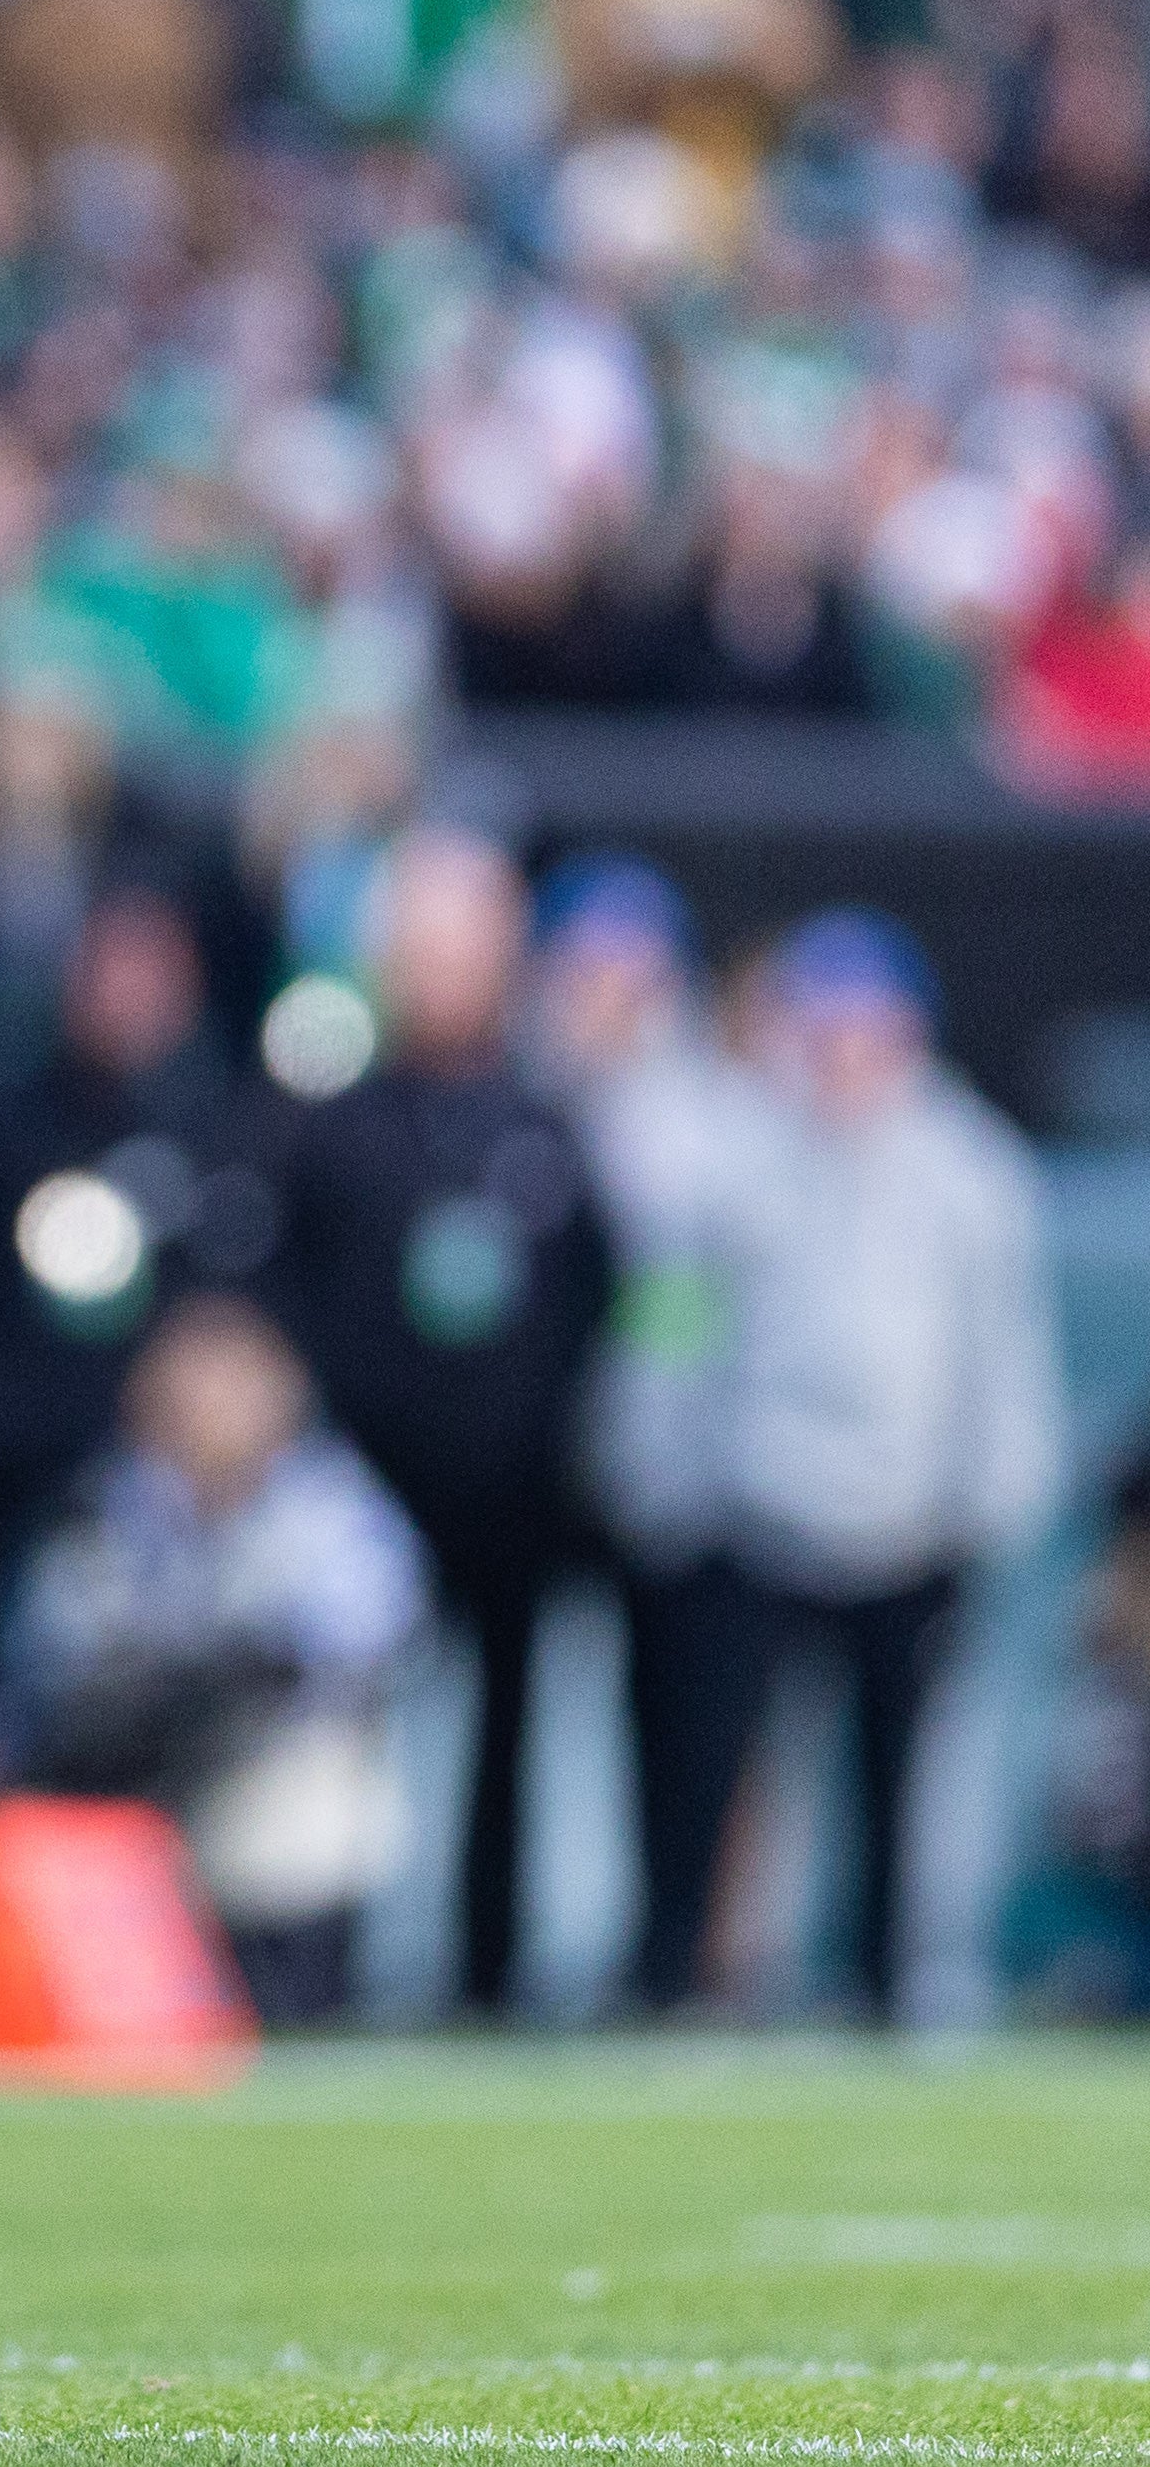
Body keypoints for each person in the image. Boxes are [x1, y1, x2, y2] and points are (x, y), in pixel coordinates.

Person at [268, 824, 615, 2020]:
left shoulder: (546, 1124)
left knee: (505, 1742)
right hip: (370, 1490)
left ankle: (490, 1969)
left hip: (510, 1492)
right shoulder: (335, 1125)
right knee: (339, 1739)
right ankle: (332, 1964)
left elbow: (590, 1304)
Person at [0, 873, 275, 1795]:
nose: (127, 990)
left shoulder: (212, 1140)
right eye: (109, 964)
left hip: (134, 1514)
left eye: (151, 968)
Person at [716, 910, 1061, 2021]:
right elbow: (686, 1344)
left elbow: (1000, 1353)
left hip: (916, 1528)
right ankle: (737, 1970)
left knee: (909, 1777)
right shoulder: (743, 1165)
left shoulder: (971, 1173)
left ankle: (899, 1973)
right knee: (750, 1776)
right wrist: (680, 1471)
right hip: (761, 1515)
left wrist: (994, 1497)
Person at [5, 1294, 426, 2023]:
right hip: (141, 1782)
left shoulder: (326, 1503)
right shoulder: (110, 1502)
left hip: (265, 1769)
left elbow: (371, 1631)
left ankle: (301, 2002)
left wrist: (243, 1663)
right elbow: (55, 1639)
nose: (213, 1405)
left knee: (319, 1792)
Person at [525, 855, 756, 2012]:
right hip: (518, 1478)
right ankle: (501, 1955)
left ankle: (669, 1961)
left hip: (671, 1479)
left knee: (681, 1741)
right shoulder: (513, 1100)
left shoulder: (708, 1125)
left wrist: (673, 1460)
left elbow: (691, 1325)